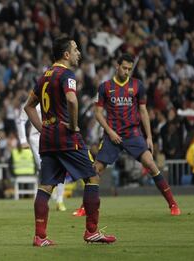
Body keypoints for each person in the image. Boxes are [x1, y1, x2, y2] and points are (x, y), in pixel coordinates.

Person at [24, 36, 116, 247]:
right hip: (66, 136)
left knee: (46, 187)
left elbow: (28, 106)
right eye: (75, 49)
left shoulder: (44, 77)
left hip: (48, 138)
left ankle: (40, 236)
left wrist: (44, 128)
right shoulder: (67, 74)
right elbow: (72, 99)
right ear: (66, 54)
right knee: (92, 177)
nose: (78, 53)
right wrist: (74, 125)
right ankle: (91, 232)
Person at [73, 53, 181, 216]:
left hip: (133, 134)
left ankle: (173, 204)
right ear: (117, 66)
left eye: (130, 69)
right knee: (96, 169)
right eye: (124, 68)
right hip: (112, 135)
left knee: (151, 164)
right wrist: (110, 132)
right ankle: (84, 207)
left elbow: (143, 112)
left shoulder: (138, 86)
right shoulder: (105, 87)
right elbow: (98, 113)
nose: (127, 71)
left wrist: (149, 137)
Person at [16, 104, 67, 211]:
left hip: (55, 136)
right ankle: (44, 199)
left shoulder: (56, 96)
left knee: (61, 166)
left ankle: (59, 200)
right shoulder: (34, 99)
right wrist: (23, 140)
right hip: (37, 138)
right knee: (45, 168)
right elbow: (21, 120)